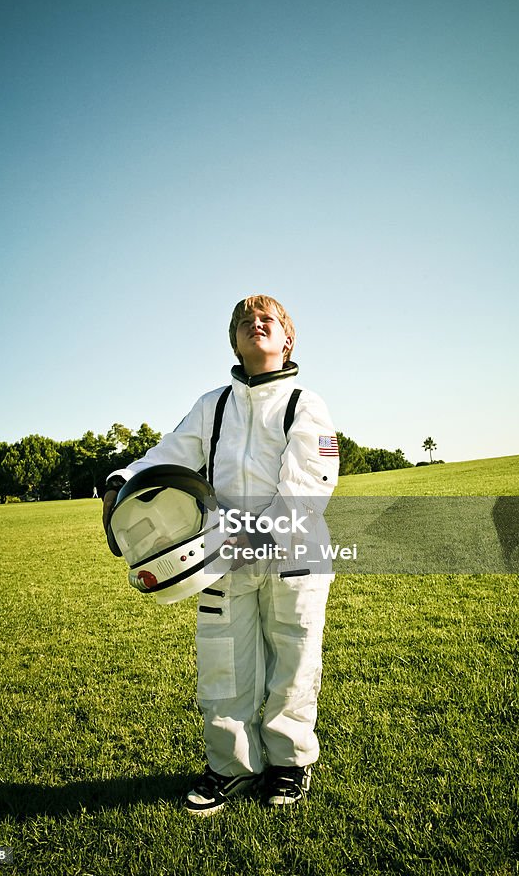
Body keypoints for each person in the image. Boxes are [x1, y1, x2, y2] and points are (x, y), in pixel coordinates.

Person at [102, 295, 339, 815]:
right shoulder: (212, 405)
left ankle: (288, 766)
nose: (256, 325)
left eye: (267, 320)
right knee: (223, 666)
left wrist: (262, 532)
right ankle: (231, 768)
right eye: (244, 322)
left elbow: (312, 481)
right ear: (234, 340)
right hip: (223, 558)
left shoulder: (306, 403)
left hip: (293, 557)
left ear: (286, 338)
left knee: (293, 665)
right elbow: (169, 454)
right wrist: (119, 483)